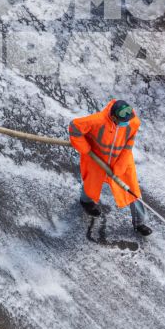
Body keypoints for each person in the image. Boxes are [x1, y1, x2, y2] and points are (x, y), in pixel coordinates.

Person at [66, 100, 151, 236]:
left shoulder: (133, 121)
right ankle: (86, 202)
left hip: (122, 159)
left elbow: (129, 144)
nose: (127, 123)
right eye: (123, 120)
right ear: (113, 117)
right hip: (97, 158)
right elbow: (74, 127)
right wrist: (86, 150)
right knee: (91, 182)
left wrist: (120, 166)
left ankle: (140, 223)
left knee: (133, 191)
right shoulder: (97, 120)